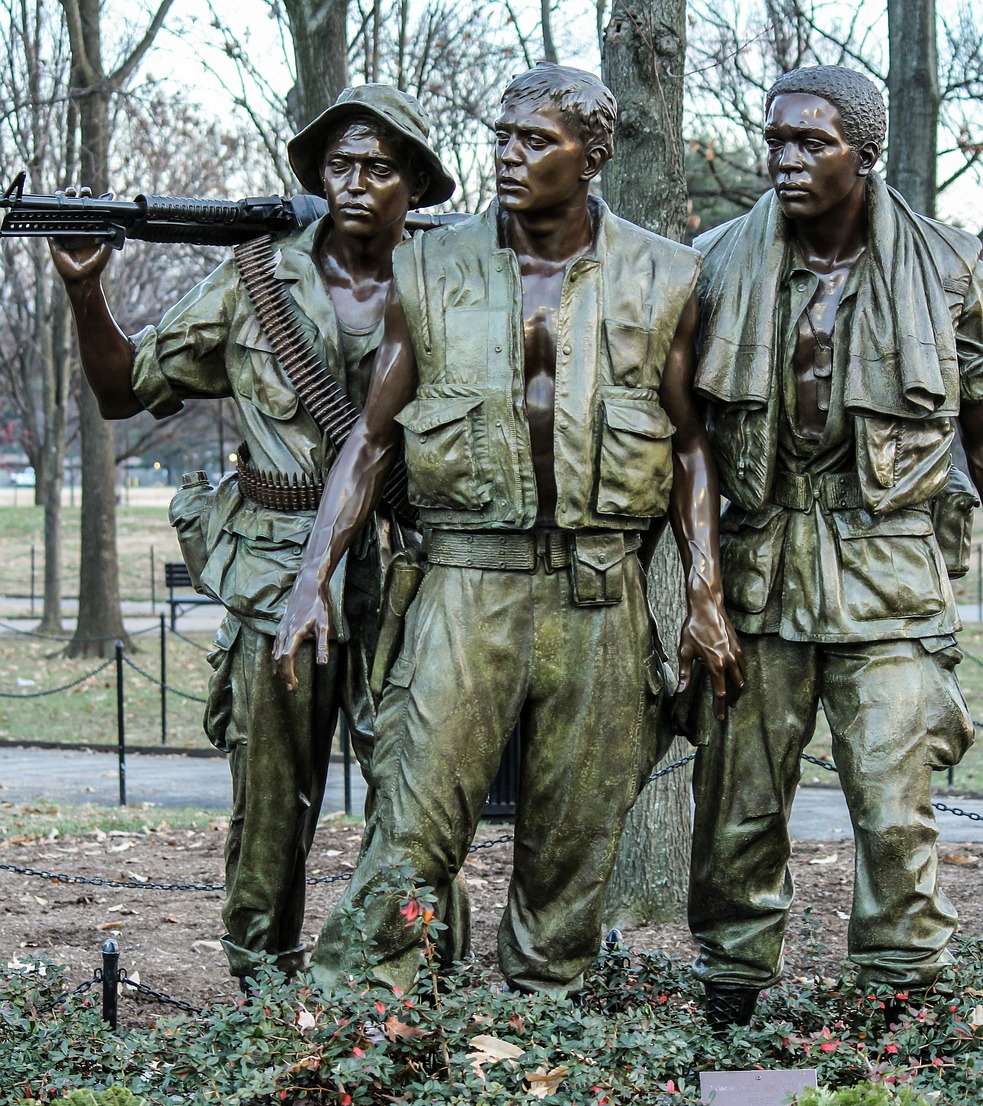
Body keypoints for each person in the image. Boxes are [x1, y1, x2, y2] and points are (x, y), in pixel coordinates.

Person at [273, 62, 744, 998]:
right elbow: (369, 442)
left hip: (599, 590)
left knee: (573, 843)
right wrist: (309, 578)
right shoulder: (429, 266)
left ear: (592, 156)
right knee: (412, 823)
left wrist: (703, 597)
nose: (507, 154)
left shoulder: (666, 275)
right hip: (463, 581)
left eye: (536, 140)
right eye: (501, 134)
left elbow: (693, 448)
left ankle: (541, 1038)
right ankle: (358, 1034)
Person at [48, 85, 456, 986]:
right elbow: (124, 391)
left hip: (406, 570)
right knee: (270, 799)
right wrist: (87, 295)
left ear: (414, 185)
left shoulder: (451, 280)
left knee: (420, 788)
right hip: (276, 571)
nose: (354, 182)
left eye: (378, 167)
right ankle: (257, 983)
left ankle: (414, 978)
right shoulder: (255, 280)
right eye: (337, 165)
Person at [688, 65, 983, 1030]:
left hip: (888, 566)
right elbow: (679, 435)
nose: (783, 160)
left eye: (810, 143)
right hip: (758, 564)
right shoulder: (715, 262)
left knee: (895, 808)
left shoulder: (946, 271)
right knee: (737, 806)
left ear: (865, 152)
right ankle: (729, 1003)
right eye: (774, 140)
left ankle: (902, 1014)